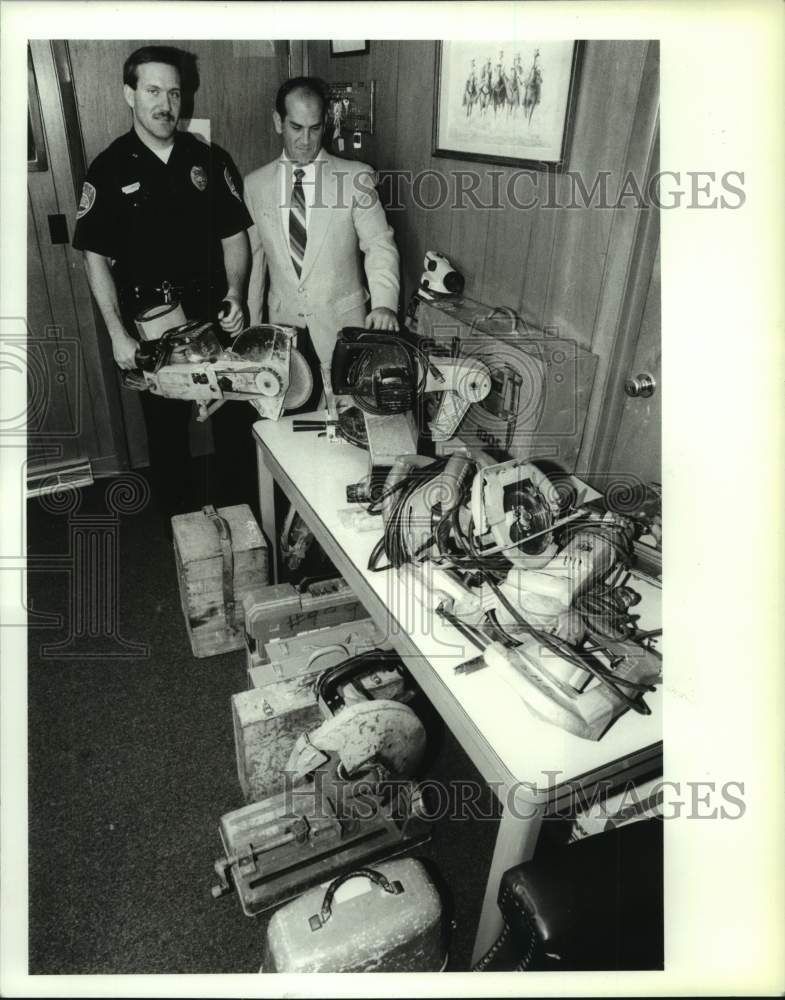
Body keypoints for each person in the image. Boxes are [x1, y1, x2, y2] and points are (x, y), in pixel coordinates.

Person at [72, 45, 255, 529]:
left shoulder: (209, 161)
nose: (166, 103)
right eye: (153, 90)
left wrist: (236, 293)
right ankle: (181, 533)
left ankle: (245, 524)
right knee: (167, 434)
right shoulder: (108, 169)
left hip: (215, 318)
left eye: (174, 92)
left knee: (234, 423)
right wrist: (116, 333)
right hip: (153, 326)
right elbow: (94, 258)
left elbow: (235, 237)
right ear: (129, 94)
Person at [242, 75, 400, 409]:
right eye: (296, 127)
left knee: (346, 429)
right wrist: (254, 333)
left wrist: (385, 303)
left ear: (325, 124)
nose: (305, 140)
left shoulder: (355, 177)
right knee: (286, 427)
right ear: (278, 122)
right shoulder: (254, 185)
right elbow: (256, 262)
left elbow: (379, 244)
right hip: (284, 332)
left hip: (342, 329)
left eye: (314, 128)